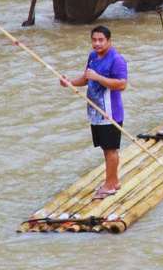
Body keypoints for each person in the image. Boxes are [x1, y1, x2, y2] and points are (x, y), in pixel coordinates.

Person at [60, 25, 128, 200]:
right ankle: (114, 181)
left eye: (101, 40)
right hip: (95, 112)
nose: (97, 43)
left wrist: (98, 77)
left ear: (109, 41)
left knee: (111, 149)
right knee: (104, 148)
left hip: (110, 113)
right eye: (94, 40)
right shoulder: (92, 56)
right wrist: (70, 82)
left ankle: (110, 184)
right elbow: (86, 78)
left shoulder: (117, 59)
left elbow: (121, 84)